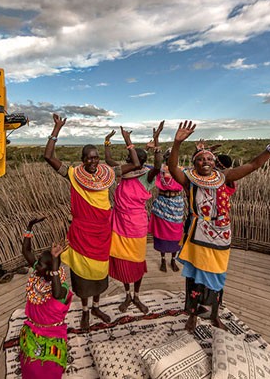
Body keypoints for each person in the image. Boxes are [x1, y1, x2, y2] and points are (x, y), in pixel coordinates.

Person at [167, 120, 270, 332]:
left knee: (218, 276)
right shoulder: (189, 180)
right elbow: (172, 167)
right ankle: (192, 315)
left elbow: (254, 164)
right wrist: (177, 143)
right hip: (198, 235)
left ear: (215, 162)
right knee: (195, 278)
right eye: (201, 159)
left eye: (210, 158)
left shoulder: (224, 177)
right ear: (195, 163)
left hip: (221, 235)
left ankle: (214, 314)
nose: (206, 161)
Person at [43, 114, 138, 331]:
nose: (93, 161)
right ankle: (86, 310)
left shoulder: (108, 174)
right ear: (82, 158)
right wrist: (56, 129)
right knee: (83, 275)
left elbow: (135, 163)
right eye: (89, 158)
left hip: (102, 233)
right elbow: (48, 156)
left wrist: (127, 140)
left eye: (96, 158)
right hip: (82, 233)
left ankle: (96, 307)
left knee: (98, 274)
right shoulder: (73, 175)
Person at [105, 121, 164, 313]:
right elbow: (108, 161)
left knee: (137, 261)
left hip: (136, 224)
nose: (128, 161)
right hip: (120, 222)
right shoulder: (126, 171)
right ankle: (128, 295)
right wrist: (107, 142)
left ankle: (136, 296)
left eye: (132, 158)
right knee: (122, 262)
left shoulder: (147, 176)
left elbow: (157, 164)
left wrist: (156, 142)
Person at [19, 217, 71, 379]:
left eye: (40, 263)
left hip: (51, 334)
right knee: (29, 368)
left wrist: (55, 261)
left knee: (49, 370)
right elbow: (26, 252)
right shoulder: (39, 275)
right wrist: (29, 226)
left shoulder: (62, 288)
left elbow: (55, 294)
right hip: (33, 330)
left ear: (50, 270)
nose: (36, 265)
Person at [149, 146, 185, 273]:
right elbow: (149, 167)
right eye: (169, 157)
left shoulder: (182, 171)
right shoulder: (160, 171)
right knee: (162, 234)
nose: (172, 159)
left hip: (176, 205)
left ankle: (173, 260)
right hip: (162, 203)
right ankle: (163, 259)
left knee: (176, 234)